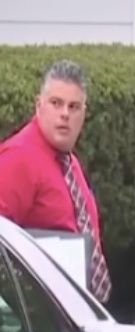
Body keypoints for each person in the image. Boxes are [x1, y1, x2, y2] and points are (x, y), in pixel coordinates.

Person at [0, 59, 112, 303]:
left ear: (84, 113)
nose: (65, 114)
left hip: (73, 308)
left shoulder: (68, 161)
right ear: (38, 106)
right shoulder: (19, 157)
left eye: (74, 107)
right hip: (37, 311)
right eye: (56, 103)